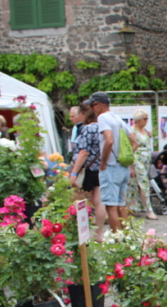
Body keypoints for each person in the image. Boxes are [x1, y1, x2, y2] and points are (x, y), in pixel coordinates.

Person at [85, 91, 138, 232]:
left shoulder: (103, 118)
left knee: (111, 206)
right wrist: (124, 156)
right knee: (121, 205)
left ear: (100, 105)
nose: (92, 109)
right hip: (123, 167)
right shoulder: (118, 118)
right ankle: (127, 238)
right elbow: (135, 142)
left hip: (111, 167)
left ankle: (117, 240)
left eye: (93, 105)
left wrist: (103, 162)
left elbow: (109, 140)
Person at [68, 103, 107, 240]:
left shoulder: (88, 128)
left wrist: (74, 172)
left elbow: (83, 152)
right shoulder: (103, 127)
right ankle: (98, 234)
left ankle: (81, 233)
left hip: (87, 170)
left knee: (78, 200)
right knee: (99, 201)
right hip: (100, 168)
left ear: (84, 114)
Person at [126, 110, 158, 220]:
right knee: (142, 184)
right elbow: (130, 148)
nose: (147, 121)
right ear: (139, 120)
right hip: (137, 159)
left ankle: (133, 208)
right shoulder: (132, 131)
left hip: (146, 160)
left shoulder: (144, 130)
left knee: (137, 184)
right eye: (145, 119)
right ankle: (148, 210)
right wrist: (130, 165)